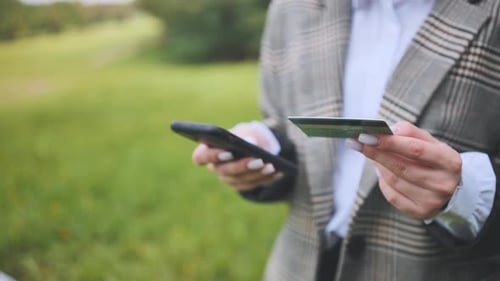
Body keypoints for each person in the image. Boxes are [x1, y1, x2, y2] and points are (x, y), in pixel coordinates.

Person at [192, 0, 500, 280]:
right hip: (297, 267)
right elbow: (283, 122)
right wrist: (266, 147)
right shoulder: (290, 7)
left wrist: (471, 195)